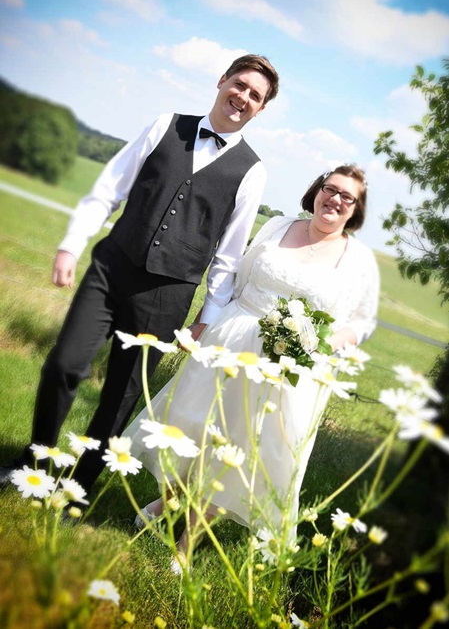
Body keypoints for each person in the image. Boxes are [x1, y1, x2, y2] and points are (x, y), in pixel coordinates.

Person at [0, 54, 280, 493]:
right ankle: (33, 462)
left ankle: (78, 490)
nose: (243, 96)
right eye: (240, 84)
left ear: (261, 109)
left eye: (255, 95)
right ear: (222, 80)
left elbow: (229, 252)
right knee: (63, 365)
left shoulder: (252, 171)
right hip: (111, 269)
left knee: (121, 398)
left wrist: (209, 314)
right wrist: (72, 243)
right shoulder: (165, 123)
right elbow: (111, 186)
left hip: (167, 296)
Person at [125, 164, 380, 570]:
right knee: (195, 425)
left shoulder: (358, 259)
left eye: (347, 197)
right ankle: (167, 500)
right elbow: (239, 280)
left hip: (290, 366)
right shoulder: (278, 226)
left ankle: (187, 544)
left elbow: (361, 321)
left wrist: (324, 341)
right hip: (233, 337)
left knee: (240, 448)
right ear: (317, 190)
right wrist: (211, 323)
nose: (335, 199)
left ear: (356, 210)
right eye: (330, 189)